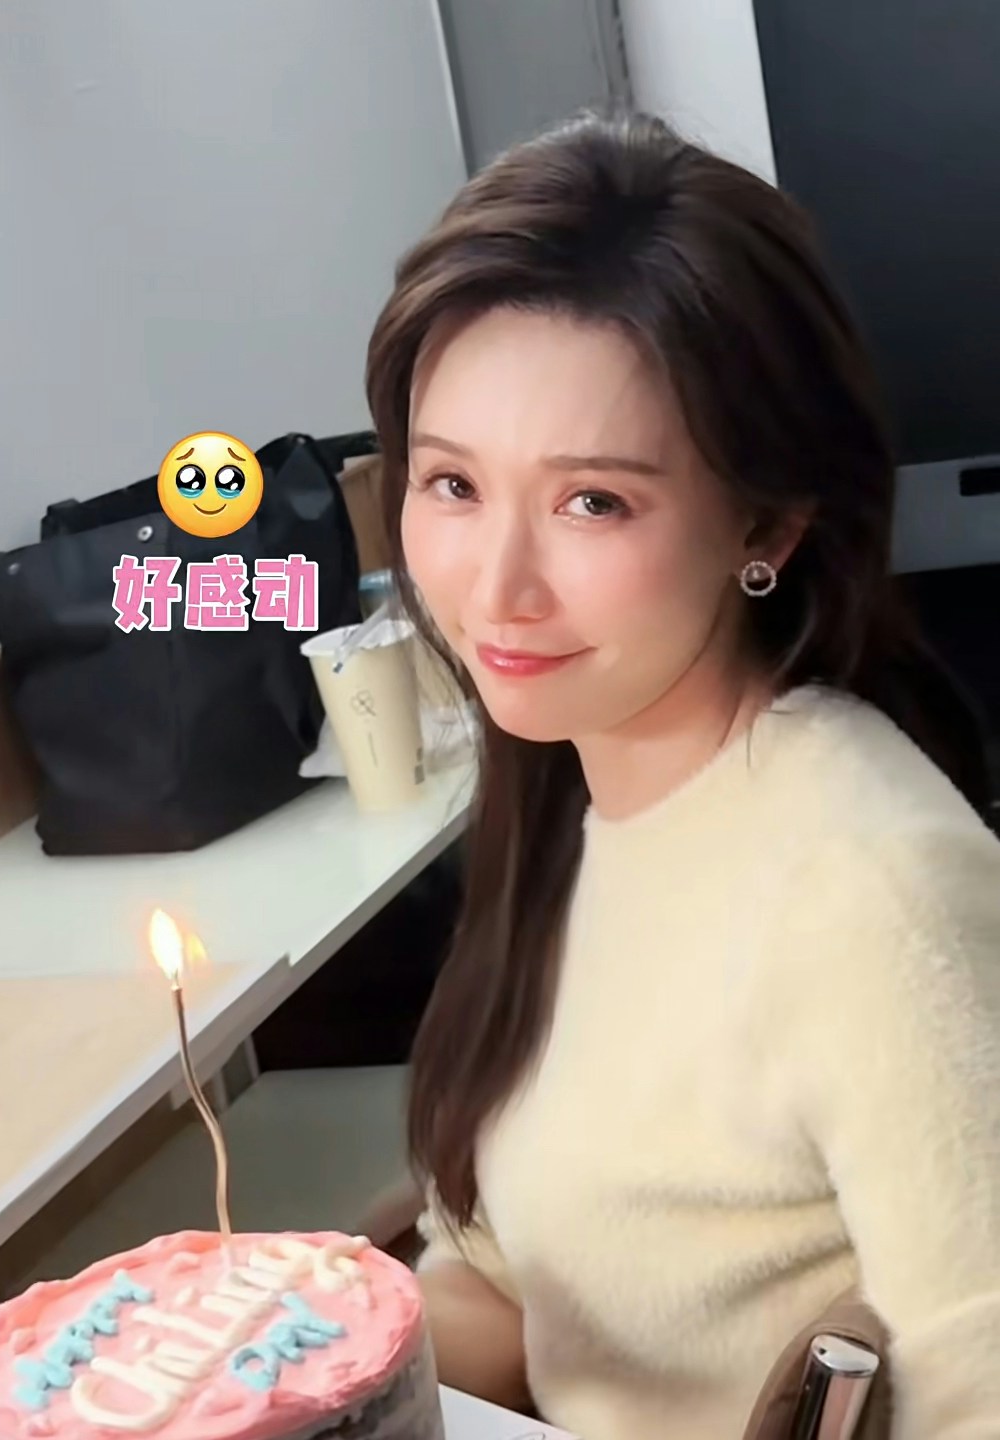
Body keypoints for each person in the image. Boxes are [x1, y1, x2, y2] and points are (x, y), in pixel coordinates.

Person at [364, 109, 1000, 1440]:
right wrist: (306, 1376)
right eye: (452, 485)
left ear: (765, 523)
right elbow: (504, 1276)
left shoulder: (867, 887)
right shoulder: (573, 790)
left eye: (593, 501)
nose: (497, 587)